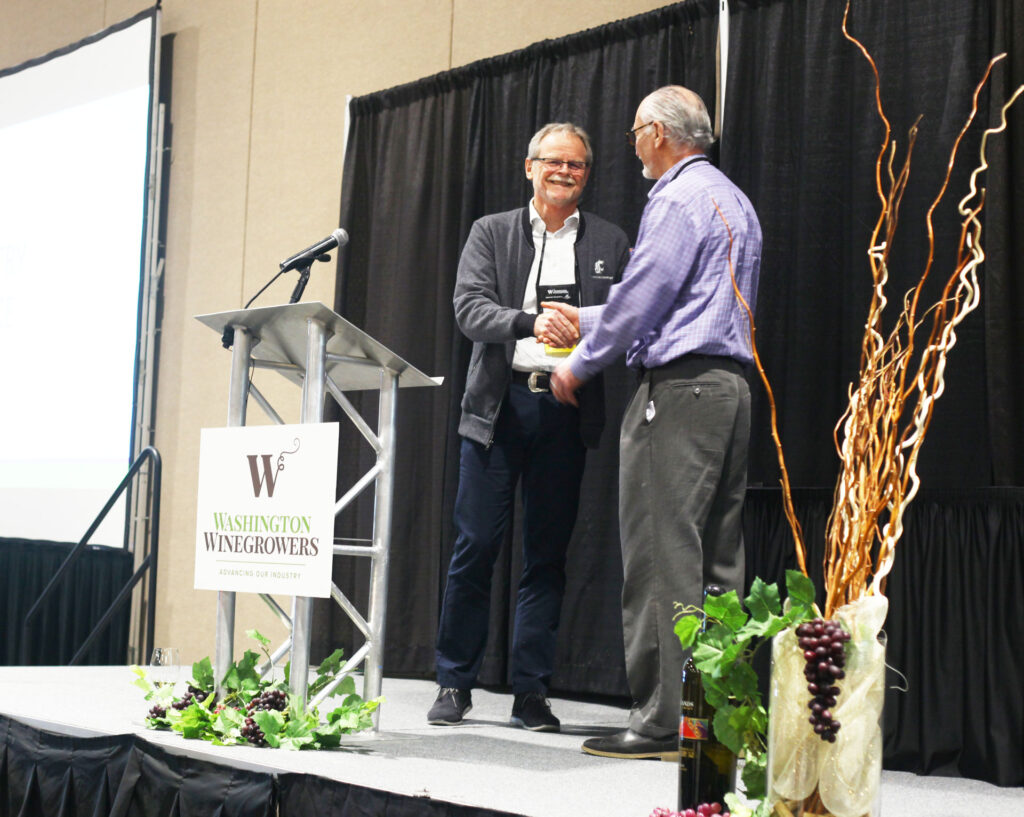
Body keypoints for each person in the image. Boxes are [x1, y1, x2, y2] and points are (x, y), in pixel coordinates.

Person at [547, 86, 763, 758]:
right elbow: (678, 295)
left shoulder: (673, 198)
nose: (634, 142)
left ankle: (660, 721)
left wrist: (578, 363)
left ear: (660, 134)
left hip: (676, 394)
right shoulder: (734, 200)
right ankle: (717, 721)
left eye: (637, 129)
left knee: (661, 560)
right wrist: (584, 319)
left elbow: (644, 302)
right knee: (719, 563)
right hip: (730, 390)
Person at [429, 123, 630, 732]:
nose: (564, 172)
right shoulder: (491, 231)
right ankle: (453, 682)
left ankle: (531, 695)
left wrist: (584, 339)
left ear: (587, 175)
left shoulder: (610, 240)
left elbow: (624, 318)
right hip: (497, 410)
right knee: (477, 547)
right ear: (529, 167)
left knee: (545, 558)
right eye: (553, 162)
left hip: (565, 412)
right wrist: (530, 323)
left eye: (577, 165)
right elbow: (469, 310)